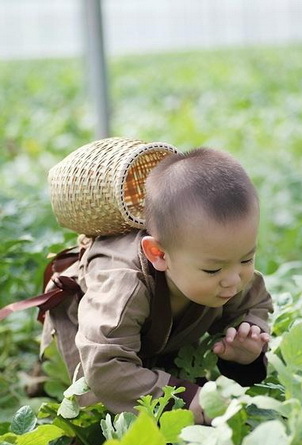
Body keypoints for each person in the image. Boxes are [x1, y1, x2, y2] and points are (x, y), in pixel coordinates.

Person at [41, 147, 273, 424]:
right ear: (159, 254)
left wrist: (246, 352)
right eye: (213, 269)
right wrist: (186, 399)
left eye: (247, 258)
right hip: (87, 326)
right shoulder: (123, 284)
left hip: (160, 331)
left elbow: (254, 303)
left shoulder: (219, 262)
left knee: (174, 375)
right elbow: (104, 367)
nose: (234, 279)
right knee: (94, 414)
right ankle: (40, 380)